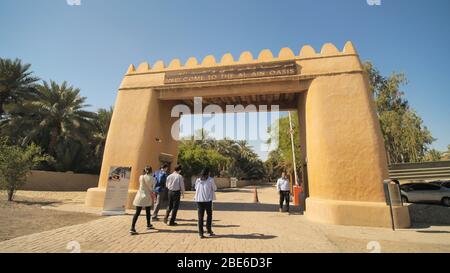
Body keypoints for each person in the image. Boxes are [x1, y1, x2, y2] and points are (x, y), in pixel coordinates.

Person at [130, 166, 156, 235]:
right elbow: (153, 189)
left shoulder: (141, 177)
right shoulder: (153, 179)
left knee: (137, 213)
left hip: (140, 196)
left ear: (145, 170)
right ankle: (148, 224)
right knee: (148, 211)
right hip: (147, 196)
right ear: (151, 171)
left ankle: (132, 228)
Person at [194, 168, 217, 239]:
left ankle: (201, 233)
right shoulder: (210, 180)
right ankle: (209, 231)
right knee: (209, 215)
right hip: (207, 200)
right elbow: (215, 188)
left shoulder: (198, 180)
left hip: (199, 200)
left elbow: (195, 188)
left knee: (200, 217)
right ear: (208, 173)